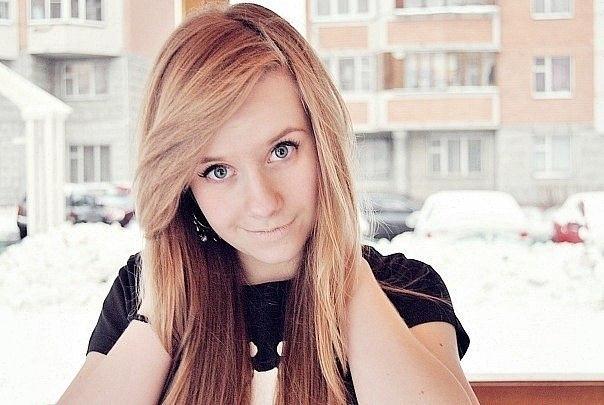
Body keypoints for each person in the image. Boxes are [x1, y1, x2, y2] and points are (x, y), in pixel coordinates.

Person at [57, 3, 479, 404]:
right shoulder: (141, 290)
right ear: (181, 183)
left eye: (281, 150)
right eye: (217, 171)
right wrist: (167, 291)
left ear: (324, 143)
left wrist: (343, 275)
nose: (262, 203)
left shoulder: (404, 288)